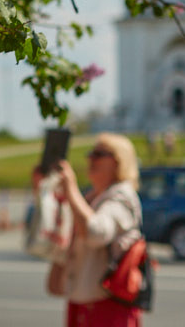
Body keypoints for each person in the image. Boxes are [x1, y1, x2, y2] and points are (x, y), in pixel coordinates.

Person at [46, 133, 143, 327]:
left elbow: (95, 233)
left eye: (99, 154)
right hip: (85, 304)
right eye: (91, 153)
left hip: (107, 308)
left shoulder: (122, 197)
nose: (90, 158)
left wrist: (71, 189)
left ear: (118, 161)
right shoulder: (94, 198)